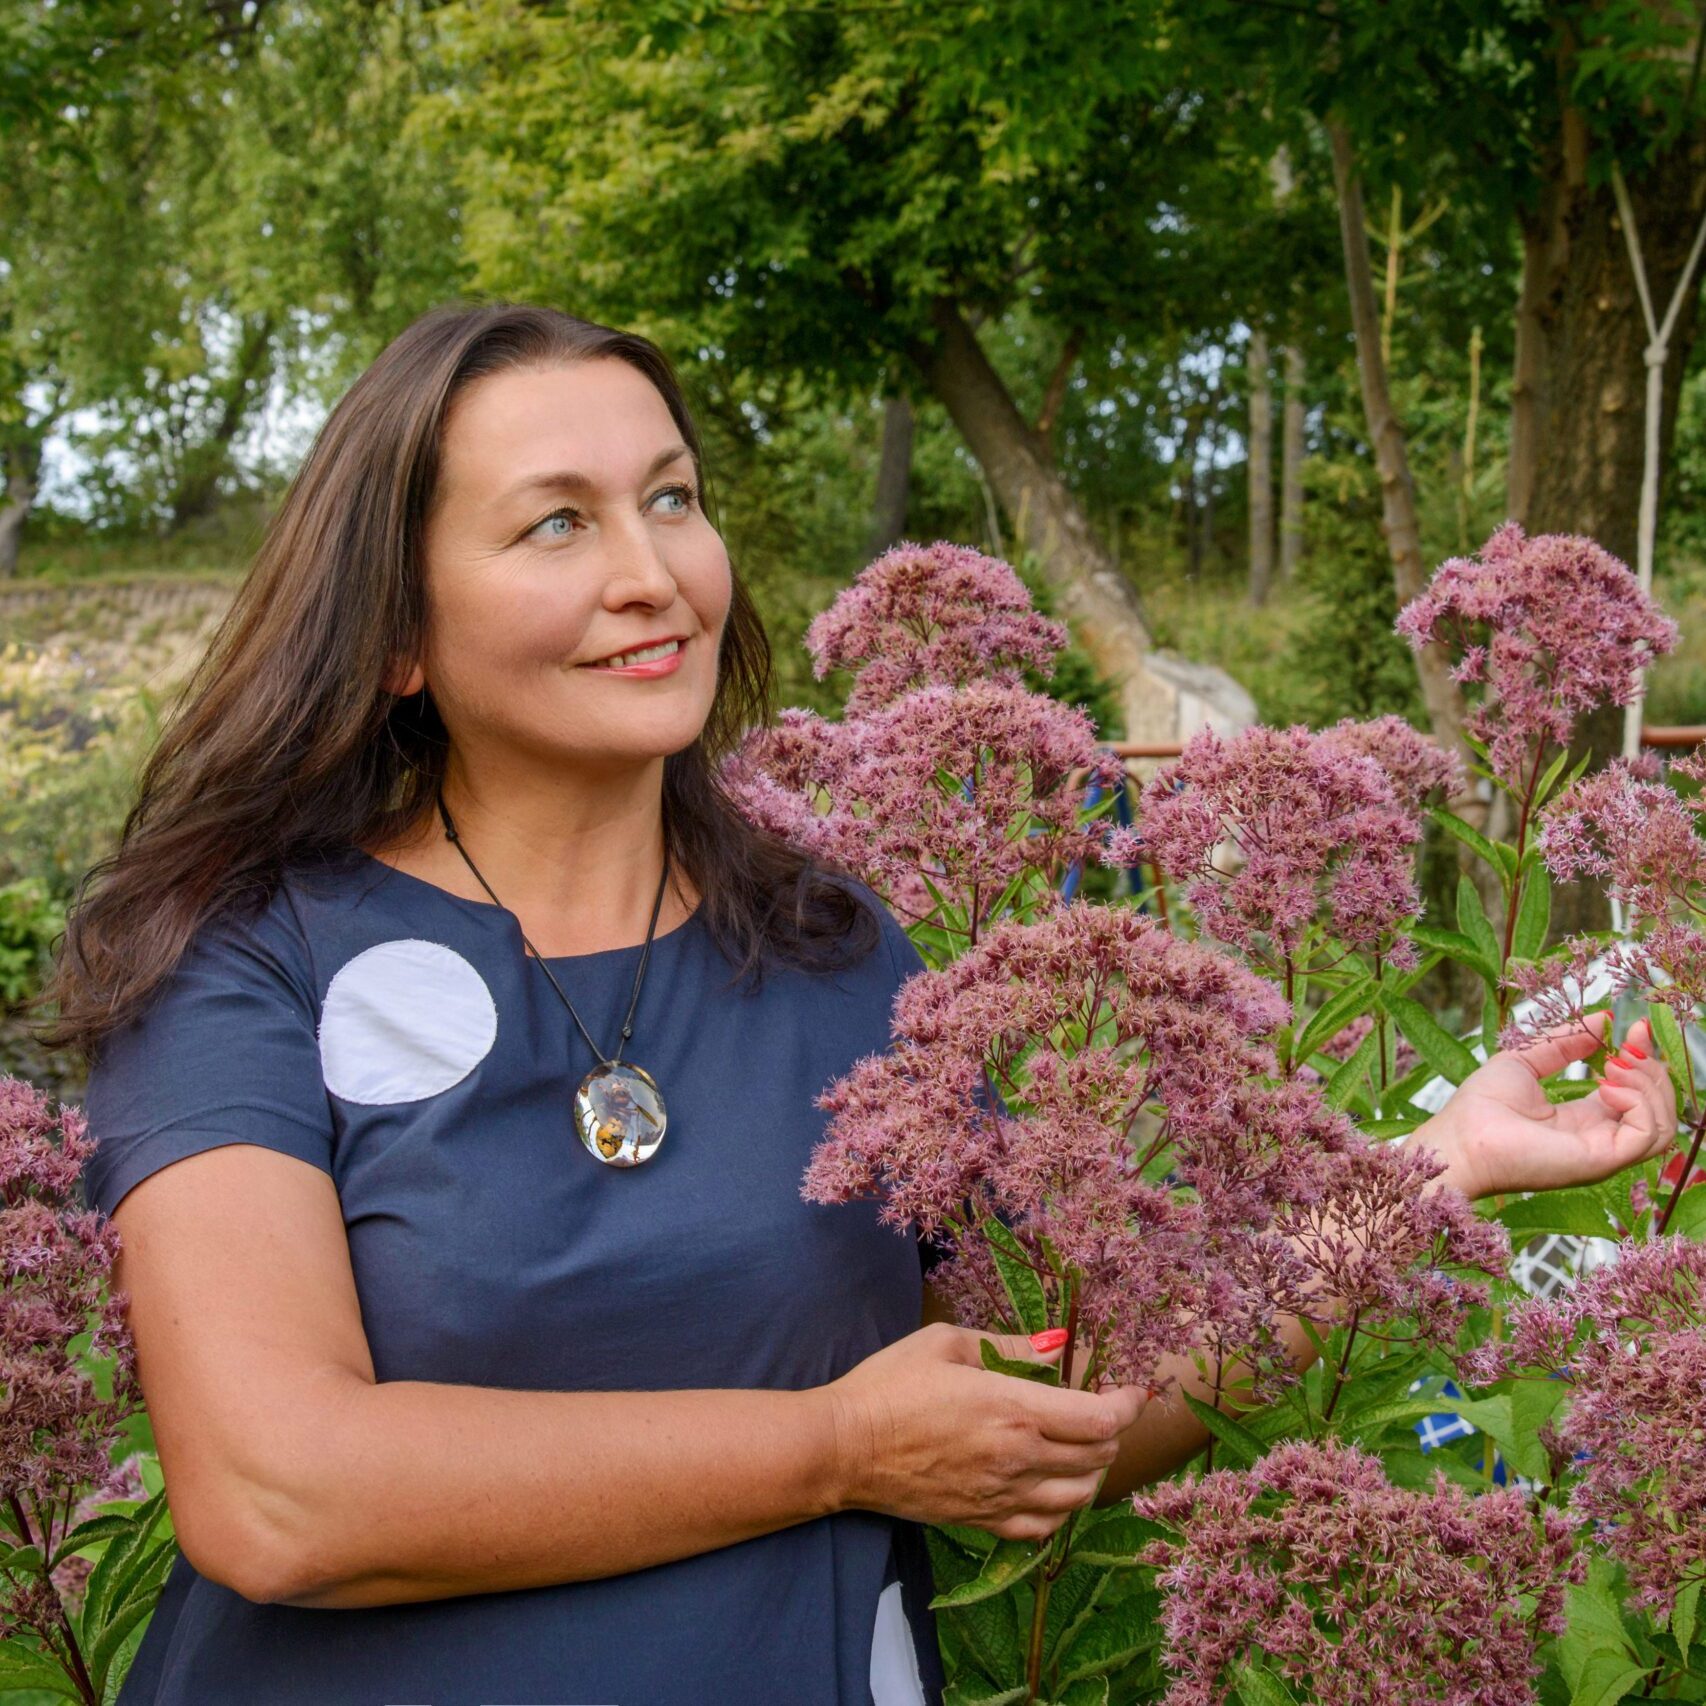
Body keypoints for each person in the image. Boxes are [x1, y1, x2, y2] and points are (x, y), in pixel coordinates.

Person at [39, 302, 1678, 1706]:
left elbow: (1057, 1409)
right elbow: (277, 1491)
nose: (650, 573)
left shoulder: (834, 952)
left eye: (670, 499)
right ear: (396, 629)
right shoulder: (250, 956)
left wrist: (1429, 1168)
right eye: (556, 522)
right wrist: (830, 1446)